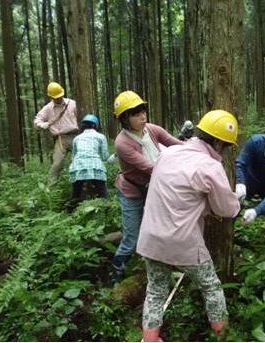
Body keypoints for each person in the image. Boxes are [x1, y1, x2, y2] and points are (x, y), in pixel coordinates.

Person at [136, 110, 241, 342]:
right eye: (226, 146)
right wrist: (237, 198)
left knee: (155, 291)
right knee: (211, 288)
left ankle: (150, 339)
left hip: (151, 238)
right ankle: (223, 336)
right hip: (183, 243)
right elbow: (226, 209)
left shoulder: (168, 153)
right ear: (218, 142)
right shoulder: (209, 166)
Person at [112, 90, 183, 286]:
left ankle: (163, 267)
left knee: (162, 229)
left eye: (143, 111)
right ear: (124, 119)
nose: (142, 116)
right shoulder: (122, 143)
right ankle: (116, 276)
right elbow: (150, 167)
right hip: (133, 192)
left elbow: (177, 144)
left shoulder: (151, 130)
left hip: (154, 188)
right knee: (132, 239)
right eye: (135, 114)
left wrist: (194, 150)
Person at [34, 82, 79, 184]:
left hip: (76, 136)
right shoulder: (47, 108)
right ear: (50, 97)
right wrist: (42, 124)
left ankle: (81, 184)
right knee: (57, 164)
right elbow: (36, 121)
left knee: (81, 159)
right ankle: (51, 187)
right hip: (60, 139)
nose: (59, 98)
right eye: (56, 97)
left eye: (60, 96)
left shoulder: (72, 104)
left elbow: (82, 117)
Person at [67, 114, 109, 211]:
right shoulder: (101, 137)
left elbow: (73, 156)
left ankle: (69, 213)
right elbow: (105, 157)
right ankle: (106, 210)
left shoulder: (77, 138)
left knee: (76, 193)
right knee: (102, 192)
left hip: (78, 166)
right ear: (95, 125)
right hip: (96, 166)